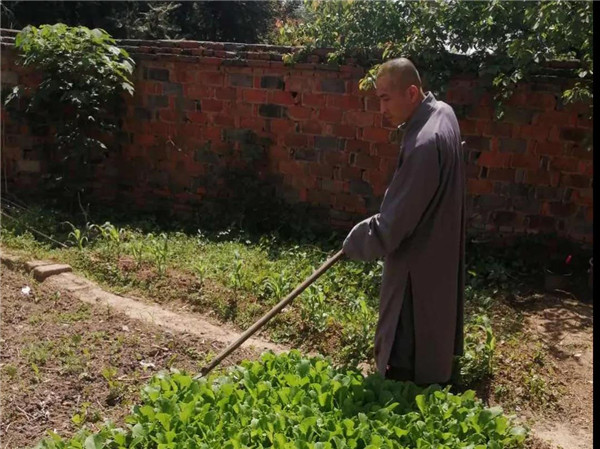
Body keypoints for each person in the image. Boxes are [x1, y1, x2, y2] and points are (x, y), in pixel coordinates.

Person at [342, 58, 465, 386]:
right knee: (431, 325)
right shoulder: (444, 113)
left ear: (412, 92)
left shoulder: (425, 143)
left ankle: (403, 404)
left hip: (418, 264)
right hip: (438, 248)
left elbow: (394, 224)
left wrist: (355, 244)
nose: (380, 108)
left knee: (407, 351)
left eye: (385, 98)